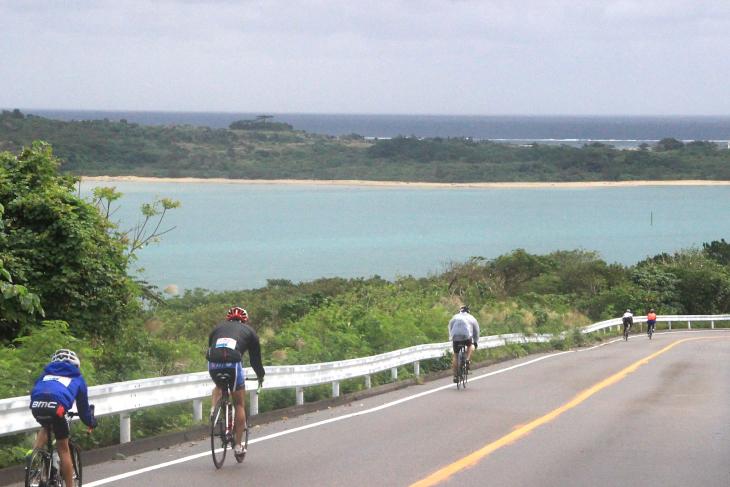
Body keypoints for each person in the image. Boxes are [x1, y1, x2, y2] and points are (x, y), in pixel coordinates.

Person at [29, 350, 97, 487]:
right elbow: (83, 410)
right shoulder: (77, 378)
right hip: (57, 408)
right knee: (63, 448)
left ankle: (33, 456)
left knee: (47, 426)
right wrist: (91, 422)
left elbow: (35, 390)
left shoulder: (45, 374)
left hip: (36, 405)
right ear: (75, 365)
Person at [207, 307, 265, 457]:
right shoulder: (250, 332)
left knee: (219, 385)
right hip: (233, 363)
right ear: (245, 320)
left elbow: (211, 347)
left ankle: (214, 409)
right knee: (239, 404)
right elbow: (255, 360)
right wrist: (260, 375)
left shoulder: (218, 328)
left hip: (212, 362)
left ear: (228, 319)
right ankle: (238, 446)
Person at [448, 305, 480, 383]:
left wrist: (451, 337)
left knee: (455, 355)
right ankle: (467, 359)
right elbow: (476, 331)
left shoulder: (455, 317)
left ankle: (455, 375)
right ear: (468, 311)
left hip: (455, 337)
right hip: (466, 336)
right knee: (469, 345)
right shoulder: (472, 318)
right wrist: (475, 341)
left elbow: (450, 326)